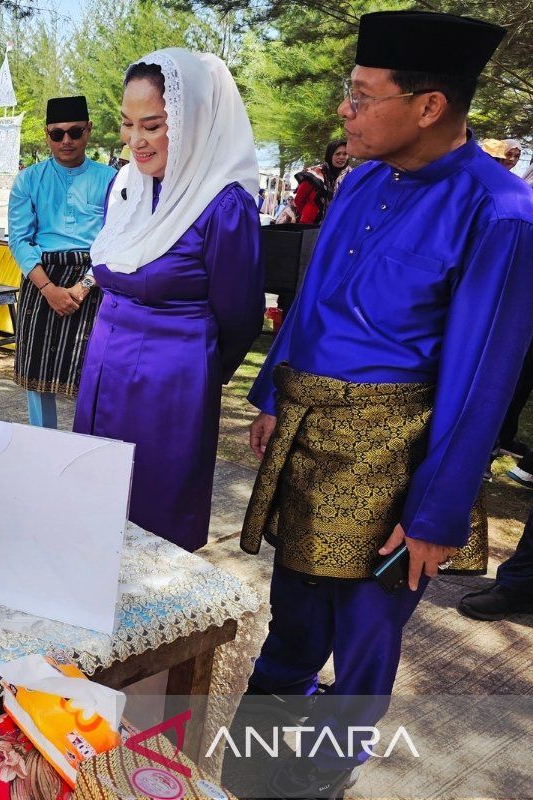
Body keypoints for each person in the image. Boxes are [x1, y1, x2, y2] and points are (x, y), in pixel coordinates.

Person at [238, 12, 532, 797]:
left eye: (363, 96)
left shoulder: (499, 211)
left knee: (365, 632)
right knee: (293, 607)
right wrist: (272, 389)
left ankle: (320, 778)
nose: (345, 110)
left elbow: (482, 376)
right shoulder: (363, 178)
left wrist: (437, 513)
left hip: (397, 456)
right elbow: (313, 300)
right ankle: (256, 769)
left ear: (429, 105)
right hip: (309, 431)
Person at [75, 50, 264, 552]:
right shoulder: (126, 188)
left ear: (191, 122)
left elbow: (240, 316)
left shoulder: (223, 205)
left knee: (152, 518)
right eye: (127, 124)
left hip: (170, 381)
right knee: (91, 505)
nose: (135, 141)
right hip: (103, 364)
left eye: (153, 125)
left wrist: (194, 370)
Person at [8, 96, 116, 429]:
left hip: (93, 281)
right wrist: (49, 289)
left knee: (92, 376)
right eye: (57, 134)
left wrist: (83, 287)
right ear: (46, 135)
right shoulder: (29, 180)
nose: (66, 141)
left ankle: (87, 451)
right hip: (41, 281)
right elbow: (19, 240)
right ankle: (44, 449)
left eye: (74, 132)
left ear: (88, 130)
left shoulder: (112, 180)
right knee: (37, 377)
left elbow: (115, 242)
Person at [293, 139, 350, 223]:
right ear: (330, 155)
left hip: (339, 225)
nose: (341, 157)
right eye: (337, 154)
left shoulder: (351, 175)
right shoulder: (314, 175)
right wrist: (309, 216)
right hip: (312, 226)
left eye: (345, 154)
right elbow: (299, 200)